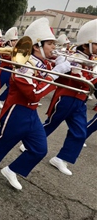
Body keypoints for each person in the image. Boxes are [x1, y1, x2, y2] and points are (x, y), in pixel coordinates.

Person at [0, 18, 71, 190]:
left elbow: (45, 85)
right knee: (4, 142)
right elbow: (33, 94)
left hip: (31, 113)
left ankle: (12, 170)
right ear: (37, 46)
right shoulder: (23, 65)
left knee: (40, 149)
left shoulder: (44, 64)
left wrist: (65, 68)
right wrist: (54, 74)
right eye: (50, 44)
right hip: (17, 110)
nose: (54, 48)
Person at [39, 19, 97, 175]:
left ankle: (61, 159)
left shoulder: (91, 61)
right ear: (86, 44)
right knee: (51, 123)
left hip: (80, 101)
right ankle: (30, 143)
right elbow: (81, 79)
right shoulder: (72, 58)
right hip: (66, 97)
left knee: (80, 132)